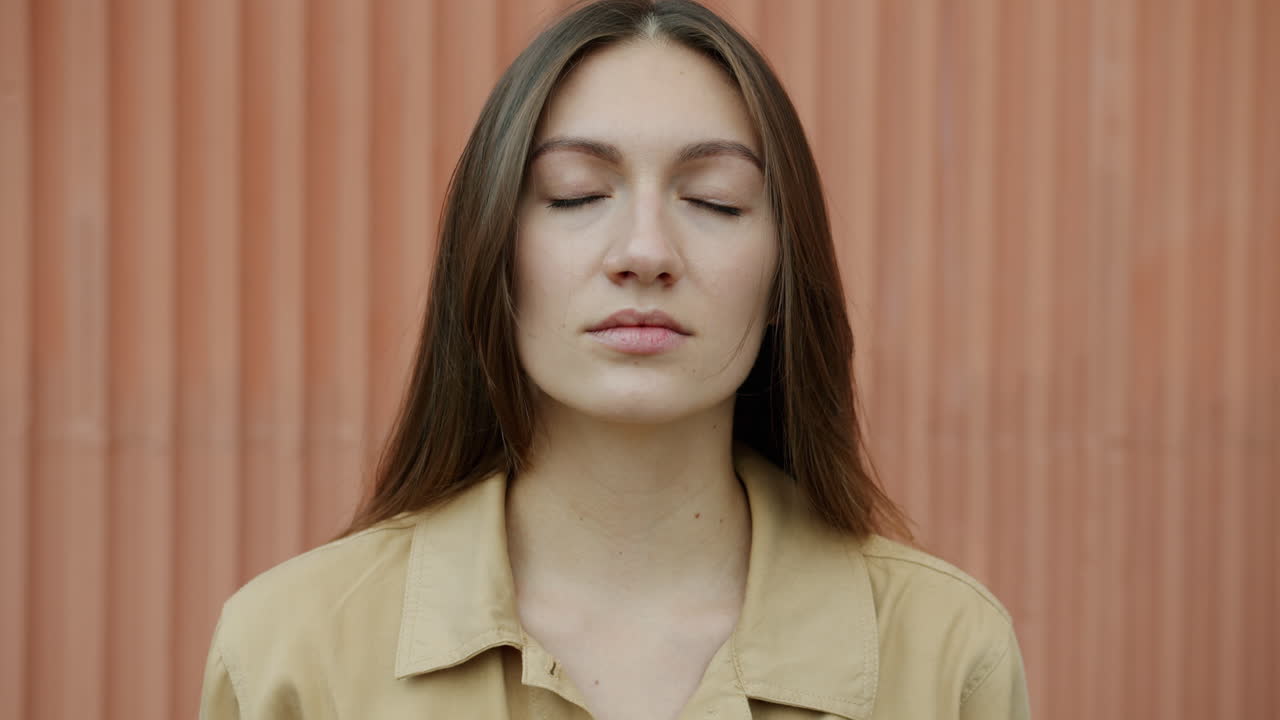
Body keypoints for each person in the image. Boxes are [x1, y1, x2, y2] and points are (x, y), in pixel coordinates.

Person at [199, 1, 1030, 718]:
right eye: (576, 194)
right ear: (493, 249)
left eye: (713, 200)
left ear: (785, 267)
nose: (644, 251)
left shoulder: (946, 653)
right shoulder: (291, 650)